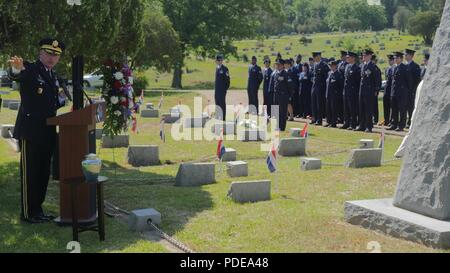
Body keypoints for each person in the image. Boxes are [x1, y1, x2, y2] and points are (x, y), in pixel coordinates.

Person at [8, 38, 67, 224]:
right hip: (31, 131)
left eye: (56, 55)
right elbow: (17, 75)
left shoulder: (53, 76)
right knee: (30, 174)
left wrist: (64, 98)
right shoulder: (31, 69)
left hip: (48, 130)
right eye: (49, 53)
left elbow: (56, 101)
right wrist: (16, 69)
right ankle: (27, 213)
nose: (51, 58)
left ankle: (38, 210)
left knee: (42, 174)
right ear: (41, 53)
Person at [389, 52, 411, 132]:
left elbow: (408, 81)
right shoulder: (394, 68)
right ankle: (394, 124)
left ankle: (401, 125)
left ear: (401, 59)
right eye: (394, 58)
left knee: (402, 110)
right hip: (394, 92)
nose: (395, 60)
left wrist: (407, 92)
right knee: (394, 109)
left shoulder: (404, 68)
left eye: (397, 58)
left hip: (402, 92)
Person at [356, 49, 377, 133]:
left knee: (368, 109)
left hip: (369, 91)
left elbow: (377, 79)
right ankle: (362, 125)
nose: (363, 57)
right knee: (362, 108)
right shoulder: (362, 66)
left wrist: (376, 89)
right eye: (363, 55)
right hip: (362, 90)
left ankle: (369, 126)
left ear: (370, 56)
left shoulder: (373, 66)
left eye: (365, 55)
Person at [342, 51, 361, 130]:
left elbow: (357, 82)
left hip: (353, 92)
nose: (347, 58)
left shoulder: (357, 68)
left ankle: (353, 124)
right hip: (346, 90)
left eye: (348, 57)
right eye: (346, 57)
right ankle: (347, 123)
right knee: (346, 108)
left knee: (352, 108)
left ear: (353, 58)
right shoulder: (347, 67)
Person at [311, 52, 330, 126]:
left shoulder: (324, 65)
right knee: (314, 103)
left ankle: (319, 120)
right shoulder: (315, 65)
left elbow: (326, 77)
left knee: (319, 104)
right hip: (314, 86)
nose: (314, 58)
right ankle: (314, 118)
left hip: (321, 87)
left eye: (315, 56)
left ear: (319, 56)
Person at [405, 49, 422, 128]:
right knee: (404, 107)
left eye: (407, 54)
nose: (405, 56)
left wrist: (414, 90)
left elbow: (417, 80)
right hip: (404, 91)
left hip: (412, 91)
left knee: (411, 107)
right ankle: (404, 122)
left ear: (411, 56)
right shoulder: (404, 66)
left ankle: (410, 122)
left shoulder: (415, 66)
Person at [272, 59, 290, 131]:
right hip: (276, 95)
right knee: (276, 110)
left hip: (283, 96)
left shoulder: (285, 74)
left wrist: (288, 96)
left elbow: (290, 86)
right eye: (277, 64)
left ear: (282, 66)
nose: (277, 66)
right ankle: (277, 126)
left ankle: (282, 127)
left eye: (279, 64)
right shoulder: (277, 73)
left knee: (282, 112)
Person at [325, 60, 344, 128]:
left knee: (334, 109)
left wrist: (338, 94)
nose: (331, 67)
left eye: (332, 65)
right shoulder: (329, 73)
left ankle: (333, 123)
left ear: (335, 66)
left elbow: (341, 86)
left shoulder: (338, 74)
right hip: (328, 94)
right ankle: (328, 121)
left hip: (335, 95)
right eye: (330, 66)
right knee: (328, 108)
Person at [215, 55, 230, 121]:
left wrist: (225, 89)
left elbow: (228, 80)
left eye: (220, 60)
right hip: (217, 90)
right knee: (217, 103)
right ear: (216, 61)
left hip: (222, 90)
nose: (219, 61)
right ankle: (218, 117)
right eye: (218, 60)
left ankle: (223, 118)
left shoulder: (225, 69)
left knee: (222, 104)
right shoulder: (217, 68)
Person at [383, 54, 395, 127]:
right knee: (386, 106)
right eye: (388, 60)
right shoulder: (387, 69)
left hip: (392, 90)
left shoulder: (394, 68)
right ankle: (386, 120)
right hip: (386, 90)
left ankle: (392, 121)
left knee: (392, 107)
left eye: (390, 60)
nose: (389, 61)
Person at [371, 55, 382, 125]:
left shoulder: (376, 69)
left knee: (374, 105)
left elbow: (378, 81)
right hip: (369, 90)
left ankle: (375, 119)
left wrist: (377, 90)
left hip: (374, 90)